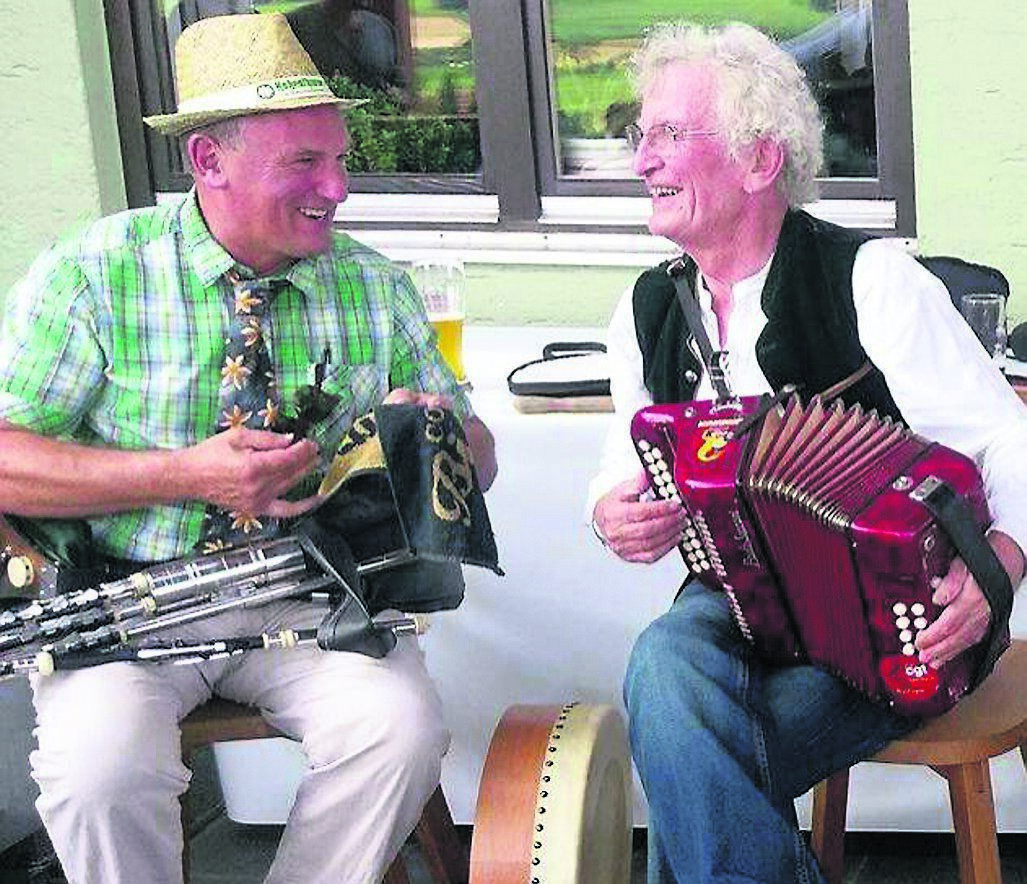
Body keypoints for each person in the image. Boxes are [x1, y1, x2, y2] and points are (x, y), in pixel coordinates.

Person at [0, 12, 495, 884]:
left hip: (314, 596)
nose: (338, 188)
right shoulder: (91, 273)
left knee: (401, 732)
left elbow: (479, 464)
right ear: (208, 160)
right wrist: (187, 472)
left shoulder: (375, 286)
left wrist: (436, 437)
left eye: (340, 158)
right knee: (98, 776)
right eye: (305, 163)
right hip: (124, 601)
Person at [587, 21, 1027, 883]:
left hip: (898, 622)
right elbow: (620, 460)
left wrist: (997, 566)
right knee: (664, 664)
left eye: (671, 135)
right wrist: (612, 510)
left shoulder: (871, 280)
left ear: (757, 160)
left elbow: (1003, 438)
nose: (643, 160)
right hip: (737, 607)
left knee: (680, 740)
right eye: (640, 134)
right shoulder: (645, 309)